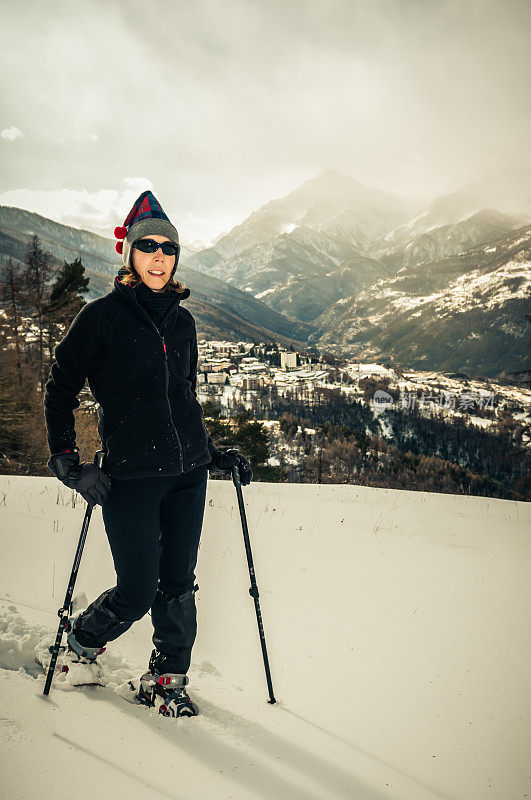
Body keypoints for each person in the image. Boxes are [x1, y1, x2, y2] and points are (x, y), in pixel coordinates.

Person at [43, 190, 252, 717]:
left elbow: (183, 395)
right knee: (137, 589)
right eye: (148, 246)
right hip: (132, 478)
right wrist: (67, 460)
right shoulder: (100, 318)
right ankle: (81, 645)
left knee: (179, 583)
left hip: (187, 475)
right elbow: (60, 388)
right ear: (130, 254)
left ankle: (168, 678)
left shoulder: (183, 322)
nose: (160, 255)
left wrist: (211, 453)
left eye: (168, 248)